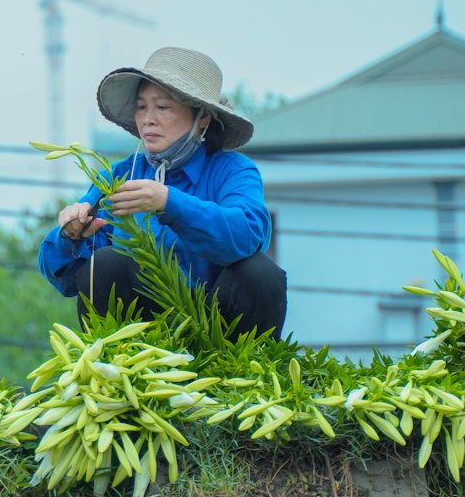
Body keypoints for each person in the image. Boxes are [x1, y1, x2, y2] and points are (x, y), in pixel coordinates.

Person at [37, 47, 287, 338]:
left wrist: (169, 202)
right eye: (142, 107)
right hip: (146, 336)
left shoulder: (233, 171)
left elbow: (248, 235)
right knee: (105, 264)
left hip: (221, 330)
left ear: (202, 117)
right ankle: (116, 368)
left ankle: (247, 374)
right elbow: (65, 278)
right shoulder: (120, 176)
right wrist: (70, 235)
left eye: (163, 107)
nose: (148, 119)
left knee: (259, 273)